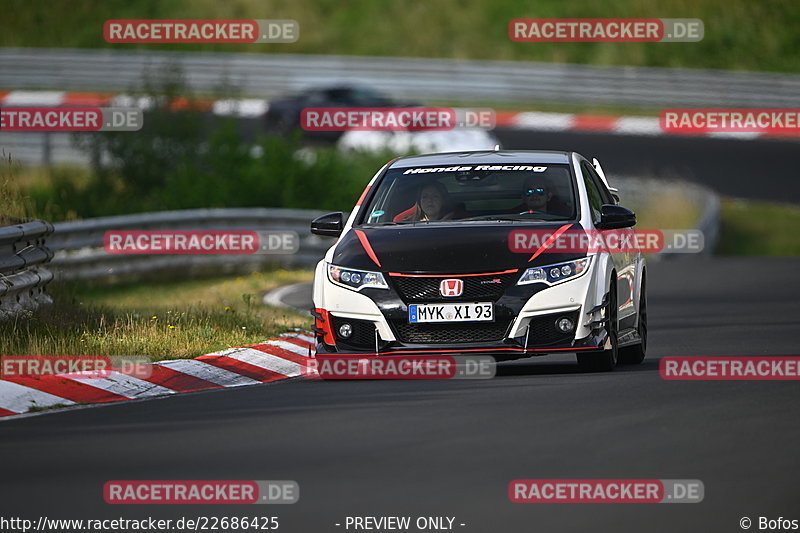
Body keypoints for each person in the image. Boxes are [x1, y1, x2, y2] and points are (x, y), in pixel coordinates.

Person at [395, 182, 460, 222]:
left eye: (435, 196)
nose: (429, 200)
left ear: (443, 200)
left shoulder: (458, 222)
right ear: (419, 201)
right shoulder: (406, 224)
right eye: (425, 197)